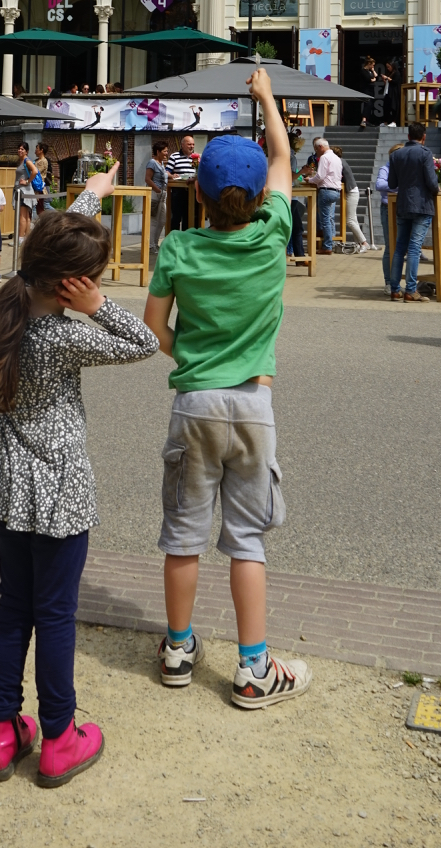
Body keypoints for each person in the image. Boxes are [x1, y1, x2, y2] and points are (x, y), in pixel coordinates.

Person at [0, 164, 157, 785]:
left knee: (13, 609)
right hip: (59, 490)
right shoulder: (61, 336)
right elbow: (145, 343)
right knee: (54, 615)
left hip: (12, 484)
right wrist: (98, 306)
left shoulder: (12, 303)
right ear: (71, 286)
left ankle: (2, 731)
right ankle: (58, 736)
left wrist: (91, 196)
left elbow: (52, 241)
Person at [143, 68, 312, 709]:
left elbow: (154, 327)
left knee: (183, 536)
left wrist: (190, 353)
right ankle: (252, 667)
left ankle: (178, 650)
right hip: (252, 403)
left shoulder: (178, 249)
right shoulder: (273, 236)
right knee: (246, 541)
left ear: (200, 192)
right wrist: (266, 98)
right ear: (259, 195)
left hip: (194, 403)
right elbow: (282, 157)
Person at [387, 121, 438, 301]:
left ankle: (395, 288)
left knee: (400, 247)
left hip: (403, 204)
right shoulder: (425, 153)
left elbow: (392, 183)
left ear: (408, 136)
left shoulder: (396, 154)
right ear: (424, 137)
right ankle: (410, 289)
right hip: (422, 204)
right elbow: (432, 182)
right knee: (415, 248)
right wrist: (437, 189)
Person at [306, 136, 343, 254]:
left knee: (325, 220)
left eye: (316, 149)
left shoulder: (324, 157)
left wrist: (310, 180)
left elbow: (320, 176)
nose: (316, 152)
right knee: (329, 218)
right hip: (336, 190)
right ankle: (331, 243)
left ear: (320, 147)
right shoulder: (337, 158)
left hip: (326, 190)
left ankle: (327, 246)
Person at [331, 144, 369, 251]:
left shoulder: (339, 162)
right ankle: (360, 244)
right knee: (353, 219)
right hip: (352, 191)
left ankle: (364, 242)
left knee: (350, 221)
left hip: (351, 192)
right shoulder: (341, 161)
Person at [376, 143, 402, 293]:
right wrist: (399, 187)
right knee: (390, 245)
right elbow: (379, 185)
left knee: (402, 247)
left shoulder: (406, 169)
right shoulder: (385, 169)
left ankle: (399, 280)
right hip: (388, 208)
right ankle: (388, 281)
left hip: (404, 207)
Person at [166, 133, 198, 230]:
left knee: (189, 218)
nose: (191, 146)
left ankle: (186, 237)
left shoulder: (196, 157)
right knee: (176, 218)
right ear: (182, 145)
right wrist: (171, 175)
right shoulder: (174, 156)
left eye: (193, 144)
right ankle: (174, 237)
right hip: (178, 192)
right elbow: (166, 172)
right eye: (189, 144)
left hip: (193, 192)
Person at [145, 138, 169, 254]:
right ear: (158, 152)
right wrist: (157, 190)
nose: (166, 153)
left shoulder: (161, 163)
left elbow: (163, 175)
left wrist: (171, 175)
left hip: (163, 194)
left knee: (162, 220)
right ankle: (150, 246)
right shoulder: (152, 163)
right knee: (154, 220)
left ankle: (155, 243)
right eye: (164, 151)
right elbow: (147, 179)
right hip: (155, 194)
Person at [286, 128, 306, 258]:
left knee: (297, 226)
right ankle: (295, 253)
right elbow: (291, 176)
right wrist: (302, 172)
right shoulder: (290, 156)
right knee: (294, 226)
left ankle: (300, 255)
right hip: (290, 194)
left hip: (286, 193)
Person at [15, 141, 39, 240]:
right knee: (27, 216)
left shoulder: (27, 160)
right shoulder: (22, 161)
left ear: (26, 151)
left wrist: (27, 181)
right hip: (26, 191)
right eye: (19, 148)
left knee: (22, 216)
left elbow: (35, 171)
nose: (20, 150)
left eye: (22, 149)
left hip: (24, 191)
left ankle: (20, 238)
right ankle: (26, 237)